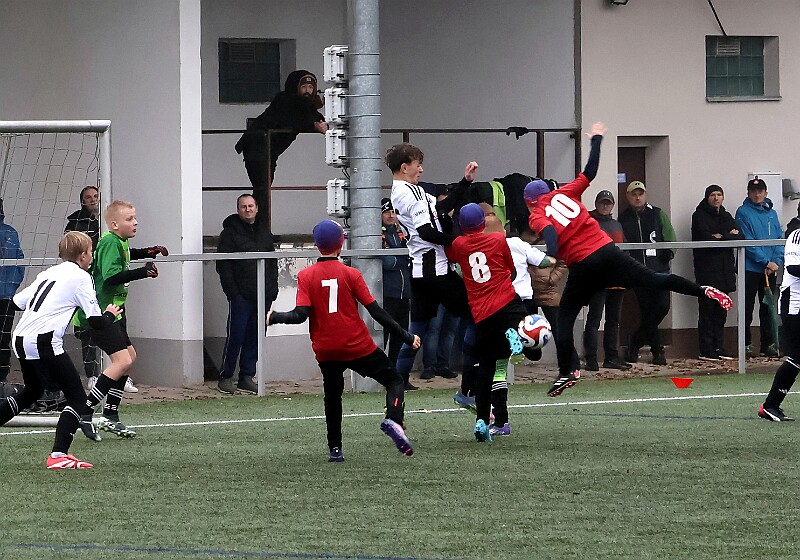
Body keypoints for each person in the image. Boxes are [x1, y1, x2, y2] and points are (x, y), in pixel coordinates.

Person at [524, 122, 732, 397]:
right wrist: (596, 140)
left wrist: (551, 255)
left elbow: (550, 233)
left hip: (583, 264)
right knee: (655, 279)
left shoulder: (536, 214)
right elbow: (590, 171)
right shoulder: (564, 192)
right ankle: (702, 290)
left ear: (529, 201)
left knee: (565, 319)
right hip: (608, 251)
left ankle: (568, 371)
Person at [267, 220, 420, 461]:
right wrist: (407, 336)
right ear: (341, 244)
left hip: (327, 349)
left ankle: (335, 450)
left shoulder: (306, 276)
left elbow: (299, 316)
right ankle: (394, 419)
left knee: (333, 396)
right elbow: (376, 312)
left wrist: (275, 316)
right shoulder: (351, 274)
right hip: (357, 345)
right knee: (394, 379)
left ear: (317, 246)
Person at [0, 231, 121, 469]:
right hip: (43, 341)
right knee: (78, 398)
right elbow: (96, 322)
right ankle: (58, 455)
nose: (92, 256)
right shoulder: (82, 277)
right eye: (91, 251)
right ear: (83, 255)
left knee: (32, 391)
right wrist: (110, 314)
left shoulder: (49, 273)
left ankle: (59, 454)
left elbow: (15, 303)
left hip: (20, 338)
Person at [387, 143, 479, 411]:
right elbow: (427, 232)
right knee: (476, 315)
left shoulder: (410, 190)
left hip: (421, 271)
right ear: (405, 167)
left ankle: (394, 401)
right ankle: (469, 389)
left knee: (416, 332)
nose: (421, 169)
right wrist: (459, 243)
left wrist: (464, 182)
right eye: (418, 164)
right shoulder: (407, 194)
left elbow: (440, 210)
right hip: (434, 271)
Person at [76, 200, 168, 438]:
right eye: (130, 219)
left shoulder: (120, 241)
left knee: (129, 358)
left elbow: (125, 256)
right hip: (100, 314)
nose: (135, 222)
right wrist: (143, 272)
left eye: (135, 217)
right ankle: (86, 412)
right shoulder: (109, 241)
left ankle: (110, 415)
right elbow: (110, 277)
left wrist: (147, 252)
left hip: (115, 311)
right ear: (114, 224)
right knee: (122, 361)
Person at [444, 204, 530, 442]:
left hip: (482, 314)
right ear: (483, 223)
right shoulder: (497, 240)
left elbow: (453, 253)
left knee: (486, 369)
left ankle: (482, 420)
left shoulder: (459, 245)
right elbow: (510, 269)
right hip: (506, 301)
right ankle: (520, 341)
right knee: (528, 328)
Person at [483, 211, 550, 437]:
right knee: (532, 347)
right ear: (503, 231)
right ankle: (528, 344)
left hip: (501, 305)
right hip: (526, 304)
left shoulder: (482, 249)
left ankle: (501, 422)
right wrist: (555, 259)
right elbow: (542, 261)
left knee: (499, 367)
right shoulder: (517, 244)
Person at [234, 70, 328, 214]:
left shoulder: (306, 104)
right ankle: (259, 225)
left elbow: (315, 118)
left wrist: (321, 122)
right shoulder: (284, 100)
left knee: (263, 189)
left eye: (311, 87)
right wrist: (314, 125)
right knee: (263, 189)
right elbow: (293, 120)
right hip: (257, 145)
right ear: (295, 87)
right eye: (304, 87)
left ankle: (258, 224)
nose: (307, 91)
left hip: (269, 151)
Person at [216, 194, 279, 395]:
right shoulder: (229, 234)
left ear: (257, 208)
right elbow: (223, 266)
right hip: (241, 296)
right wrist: (233, 293)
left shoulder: (264, 231)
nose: (248, 209)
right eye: (243, 206)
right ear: (238, 209)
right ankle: (226, 377)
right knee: (236, 335)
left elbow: (272, 262)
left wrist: (272, 289)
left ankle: (246, 377)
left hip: (263, 294)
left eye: (251, 206)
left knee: (255, 336)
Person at [618, 180, 677, 366]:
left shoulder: (658, 214)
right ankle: (657, 351)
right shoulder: (623, 219)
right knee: (648, 312)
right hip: (639, 274)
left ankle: (635, 341)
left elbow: (671, 238)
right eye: (634, 194)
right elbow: (622, 246)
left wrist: (668, 253)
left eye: (640, 194)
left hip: (660, 271)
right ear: (628, 197)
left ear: (646, 195)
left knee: (662, 308)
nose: (637, 197)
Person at [691, 185, 744, 360]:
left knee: (721, 313)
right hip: (707, 272)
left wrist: (722, 235)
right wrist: (727, 234)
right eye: (713, 195)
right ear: (707, 197)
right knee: (707, 312)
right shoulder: (699, 216)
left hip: (725, 272)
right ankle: (706, 349)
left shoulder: (725, 215)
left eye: (719, 194)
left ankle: (719, 347)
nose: (716, 198)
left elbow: (739, 236)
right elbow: (706, 238)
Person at [735, 177, 785, 358]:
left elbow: (779, 238)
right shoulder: (743, 212)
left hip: (770, 269)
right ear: (748, 193)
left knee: (768, 308)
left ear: (765, 192)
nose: (757, 194)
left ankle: (769, 344)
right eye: (753, 191)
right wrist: (765, 261)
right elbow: (747, 241)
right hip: (750, 268)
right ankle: (746, 344)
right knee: (747, 307)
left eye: (760, 191)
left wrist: (775, 262)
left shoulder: (772, 213)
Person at [582, 190, 630, 371]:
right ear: (596, 204)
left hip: (617, 279)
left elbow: (625, 250)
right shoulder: (588, 223)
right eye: (602, 202)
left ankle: (611, 357)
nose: (605, 206)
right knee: (594, 319)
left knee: (613, 320)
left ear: (612, 206)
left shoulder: (617, 225)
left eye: (608, 203)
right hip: (597, 279)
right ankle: (591, 359)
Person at [64, 186, 106, 388]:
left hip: (105, 281)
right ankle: (92, 374)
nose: (93, 200)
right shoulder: (74, 224)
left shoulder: (107, 221)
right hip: (84, 282)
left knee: (112, 324)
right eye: (88, 197)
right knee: (87, 327)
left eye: (96, 196)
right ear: (82, 201)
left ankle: (116, 373)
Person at [758, 227, 800, 422]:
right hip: (795, 306)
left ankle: (771, 405)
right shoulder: (796, 235)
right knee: (798, 356)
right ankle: (770, 405)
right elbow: (793, 268)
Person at [379, 197, 413, 388]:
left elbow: (410, 256)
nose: (391, 216)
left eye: (393, 212)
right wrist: (402, 259)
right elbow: (388, 262)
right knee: (383, 337)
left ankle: (398, 377)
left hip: (404, 294)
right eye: (387, 212)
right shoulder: (378, 234)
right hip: (387, 295)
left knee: (401, 337)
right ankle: (382, 377)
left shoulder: (401, 233)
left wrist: (401, 258)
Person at [0, 198, 24, 385]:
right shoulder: (10, 232)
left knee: (3, 338)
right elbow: (20, 262)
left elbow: (19, 261)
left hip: (5, 294)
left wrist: (10, 286)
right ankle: (2, 377)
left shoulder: (10, 233)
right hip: (6, 294)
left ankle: (1, 377)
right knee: (3, 337)